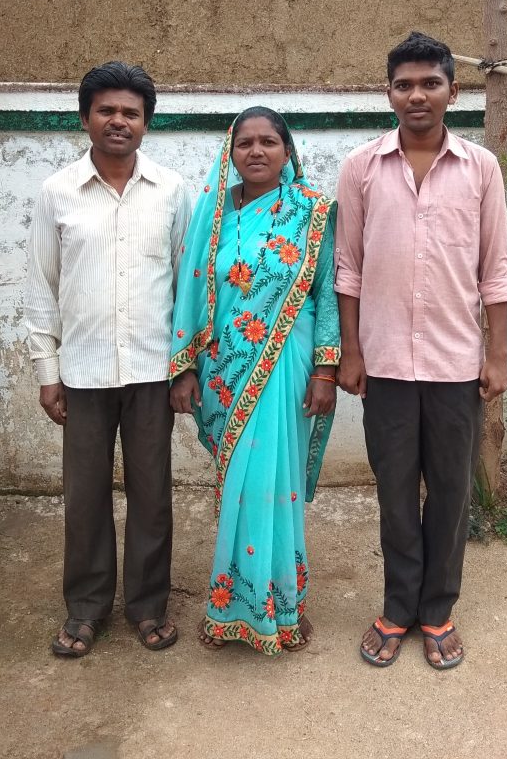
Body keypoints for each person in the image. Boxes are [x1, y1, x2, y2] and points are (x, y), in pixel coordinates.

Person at [335, 31, 507, 670]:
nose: (417, 95)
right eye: (404, 84)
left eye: (430, 83)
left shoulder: (480, 168)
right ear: (389, 93)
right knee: (393, 492)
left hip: (454, 364)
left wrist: (497, 355)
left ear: (452, 91)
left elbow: (495, 270)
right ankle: (397, 607)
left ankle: (437, 609)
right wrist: (351, 351)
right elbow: (348, 269)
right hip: (384, 362)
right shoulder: (361, 167)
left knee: (450, 491)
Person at [25, 61, 191, 658]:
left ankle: (148, 606)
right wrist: (48, 371)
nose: (118, 120)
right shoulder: (57, 192)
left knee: (152, 495)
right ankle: (87, 608)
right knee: (85, 497)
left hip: (151, 371)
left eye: (130, 112)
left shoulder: (172, 191)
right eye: (107, 110)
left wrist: (185, 366)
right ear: (85, 118)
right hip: (84, 372)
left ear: (146, 123)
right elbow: (42, 285)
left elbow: (187, 285)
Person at [170, 107, 340, 655]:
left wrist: (326, 369)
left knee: (273, 482)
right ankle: (231, 607)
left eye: (269, 141)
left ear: (288, 151)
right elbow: (190, 290)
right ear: (231, 152)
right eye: (245, 142)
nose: (257, 151)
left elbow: (327, 294)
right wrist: (185, 366)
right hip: (225, 371)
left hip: (286, 366)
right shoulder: (213, 214)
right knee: (238, 486)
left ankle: (283, 605)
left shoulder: (313, 212)